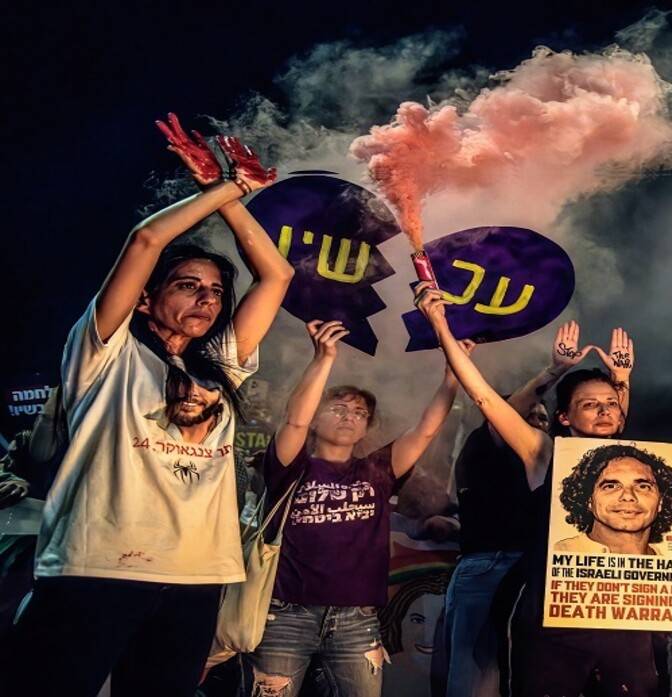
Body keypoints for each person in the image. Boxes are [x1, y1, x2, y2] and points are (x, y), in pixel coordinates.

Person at [0, 116, 291, 697]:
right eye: (188, 285)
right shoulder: (106, 352)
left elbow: (277, 275)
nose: (207, 299)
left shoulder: (219, 367)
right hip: (97, 568)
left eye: (215, 291)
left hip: (195, 576)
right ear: (144, 300)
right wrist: (226, 187)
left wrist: (231, 200)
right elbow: (145, 242)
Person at [415, 282, 672, 697]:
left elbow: (616, 451)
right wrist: (440, 325)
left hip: (626, 623)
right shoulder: (544, 453)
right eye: (590, 405)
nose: (604, 411)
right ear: (564, 418)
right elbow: (484, 398)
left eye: (611, 404)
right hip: (551, 622)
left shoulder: (638, 464)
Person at [242, 320, 468, 697]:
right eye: (338, 408)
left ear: (366, 428)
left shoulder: (376, 471)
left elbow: (425, 430)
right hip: (286, 616)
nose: (349, 416)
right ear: (316, 418)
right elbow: (294, 420)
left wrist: (451, 378)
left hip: (357, 622)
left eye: (360, 412)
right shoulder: (291, 465)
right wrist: (323, 358)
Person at [440, 323, 571, 697]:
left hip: (534, 570)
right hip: (489, 565)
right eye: (530, 415)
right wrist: (553, 372)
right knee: (477, 677)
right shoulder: (485, 444)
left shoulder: (549, 457)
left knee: (522, 673)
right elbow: (499, 411)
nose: (537, 422)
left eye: (544, 418)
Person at [553, 443, 672, 555]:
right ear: (588, 499)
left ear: (661, 501)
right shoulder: (557, 553)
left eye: (643, 486)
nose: (628, 496)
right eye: (611, 486)